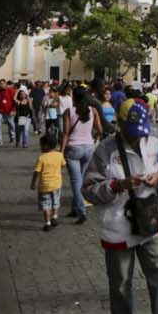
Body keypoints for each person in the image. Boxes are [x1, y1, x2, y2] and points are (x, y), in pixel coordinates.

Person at [82, 99, 158, 314]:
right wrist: (117, 186)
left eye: (141, 133)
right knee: (120, 279)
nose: (138, 139)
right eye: (132, 133)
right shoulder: (105, 149)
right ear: (121, 124)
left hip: (151, 218)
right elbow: (89, 189)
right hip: (118, 224)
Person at [60, 84, 103, 224]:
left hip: (73, 148)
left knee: (76, 182)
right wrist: (94, 137)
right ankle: (74, 208)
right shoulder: (93, 110)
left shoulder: (69, 112)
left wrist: (61, 151)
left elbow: (65, 133)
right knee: (80, 180)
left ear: (74, 97)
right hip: (88, 147)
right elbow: (100, 130)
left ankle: (81, 211)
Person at [32, 133, 65, 231]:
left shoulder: (42, 158)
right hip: (57, 184)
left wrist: (33, 183)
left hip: (44, 186)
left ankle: (47, 223)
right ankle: (54, 216)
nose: (40, 147)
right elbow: (63, 165)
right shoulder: (59, 155)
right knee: (56, 201)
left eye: (41, 145)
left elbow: (36, 172)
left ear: (46, 146)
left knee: (46, 205)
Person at [0, 79, 16, 145]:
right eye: (1, 83)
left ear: (5, 84)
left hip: (8, 110)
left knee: (11, 124)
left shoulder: (10, 90)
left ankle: (12, 136)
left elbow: (14, 101)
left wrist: (13, 110)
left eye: (3, 83)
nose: (2, 85)